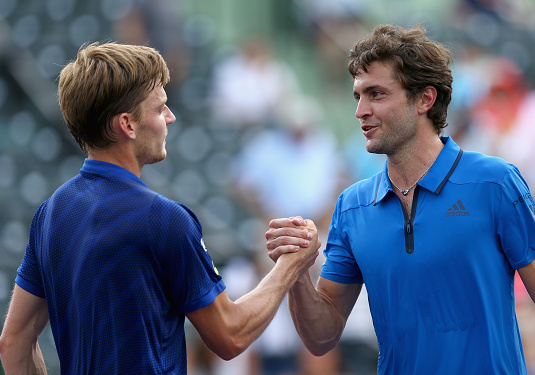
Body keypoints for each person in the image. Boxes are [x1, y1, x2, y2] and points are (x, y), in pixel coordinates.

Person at [264, 24, 535, 374]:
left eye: (376, 94)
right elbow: (321, 338)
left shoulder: (495, 183)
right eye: (358, 96)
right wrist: (296, 274)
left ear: (425, 99)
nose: (360, 110)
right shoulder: (351, 206)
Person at [0, 42, 320, 374]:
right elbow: (230, 335)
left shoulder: (49, 214)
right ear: (128, 125)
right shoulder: (165, 219)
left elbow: (13, 343)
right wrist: (290, 265)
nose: (171, 116)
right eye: (160, 108)